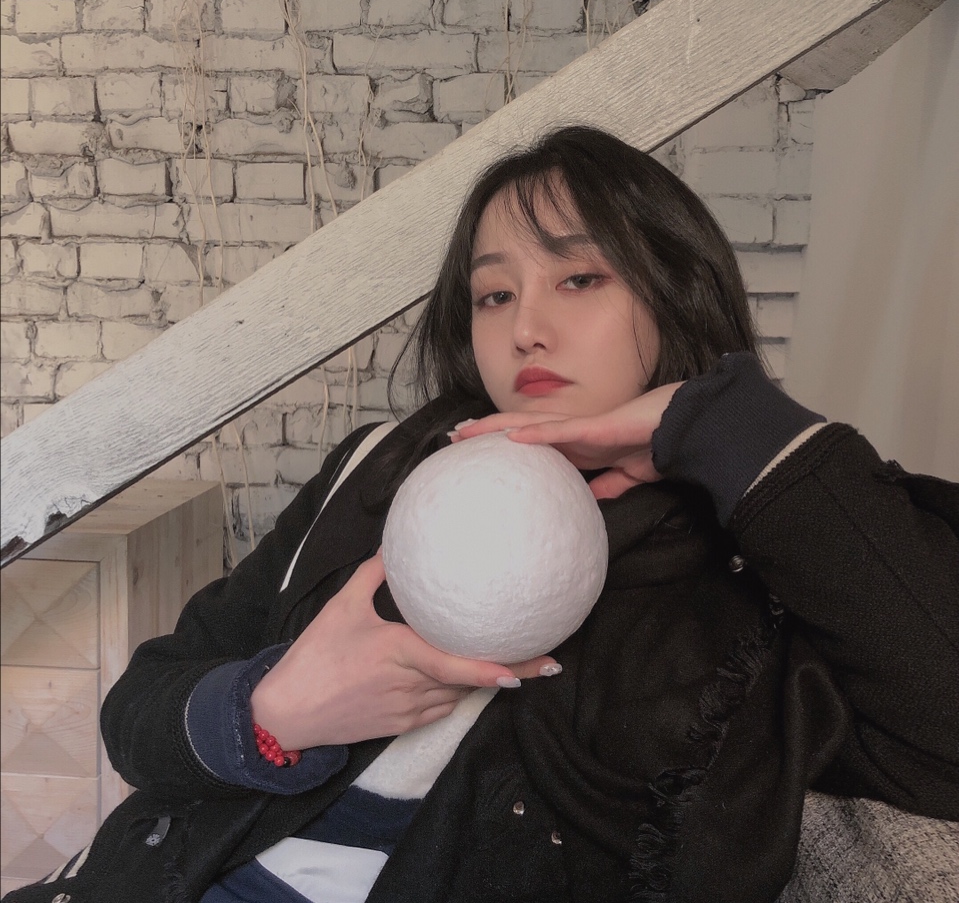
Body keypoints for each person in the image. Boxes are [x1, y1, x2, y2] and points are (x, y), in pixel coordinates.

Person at [5, 126, 957, 903]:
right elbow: (137, 712)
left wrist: (719, 426)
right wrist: (272, 710)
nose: (524, 327)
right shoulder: (380, 468)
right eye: (493, 293)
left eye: (579, 278)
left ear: (677, 293)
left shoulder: (760, 562)